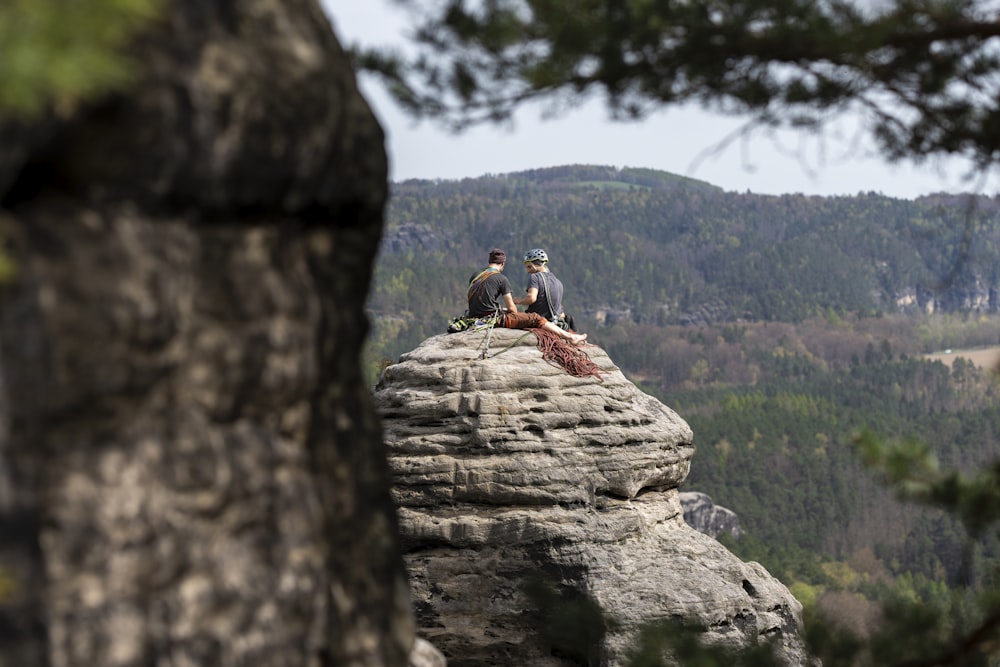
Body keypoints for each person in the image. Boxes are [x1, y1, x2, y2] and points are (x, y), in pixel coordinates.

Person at [467, 248, 587, 345]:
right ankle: (570, 337)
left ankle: (571, 337)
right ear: (502, 264)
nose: (528, 271)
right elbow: (515, 308)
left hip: (472, 316)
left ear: (489, 262)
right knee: (535, 318)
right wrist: (515, 305)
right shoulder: (501, 279)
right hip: (491, 319)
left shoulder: (476, 275)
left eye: (529, 267)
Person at [512, 248, 571, 328]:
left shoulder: (535, 277)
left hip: (537, 319)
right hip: (554, 322)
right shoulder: (558, 282)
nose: (528, 271)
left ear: (537, 264)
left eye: (529, 267)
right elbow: (561, 312)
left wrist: (518, 301)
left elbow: (531, 298)